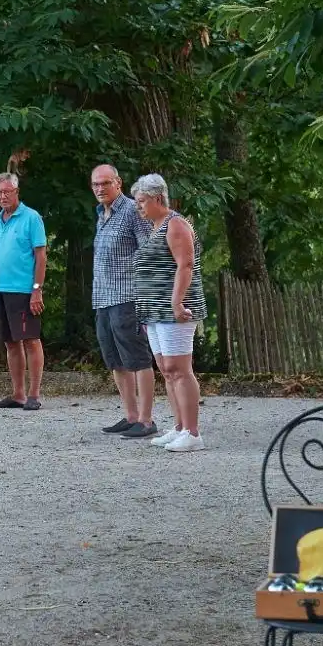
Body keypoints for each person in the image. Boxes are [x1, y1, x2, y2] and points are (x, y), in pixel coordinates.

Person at [130, 173, 207, 452]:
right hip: (154, 311)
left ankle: (193, 432)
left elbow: (185, 265)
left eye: (141, 201)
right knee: (167, 369)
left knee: (180, 369)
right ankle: (179, 427)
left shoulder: (175, 225)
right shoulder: (155, 226)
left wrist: (176, 303)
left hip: (174, 310)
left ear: (157, 198)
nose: (138, 206)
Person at [91, 163, 157, 438]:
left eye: (105, 183)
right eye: (95, 184)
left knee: (137, 358)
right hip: (103, 298)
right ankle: (130, 415)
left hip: (127, 297)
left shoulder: (132, 211)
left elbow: (149, 251)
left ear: (118, 182)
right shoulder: (101, 214)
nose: (100, 189)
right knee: (115, 360)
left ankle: (146, 419)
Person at [0, 172, 47, 410]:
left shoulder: (31, 218)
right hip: (1, 288)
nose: (3, 196)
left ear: (16, 192)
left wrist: (36, 290)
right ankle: (18, 393)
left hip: (22, 289)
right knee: (10, 342)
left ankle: (34, 394)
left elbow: (41, 256)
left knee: (30, 339)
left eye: (7, 191)